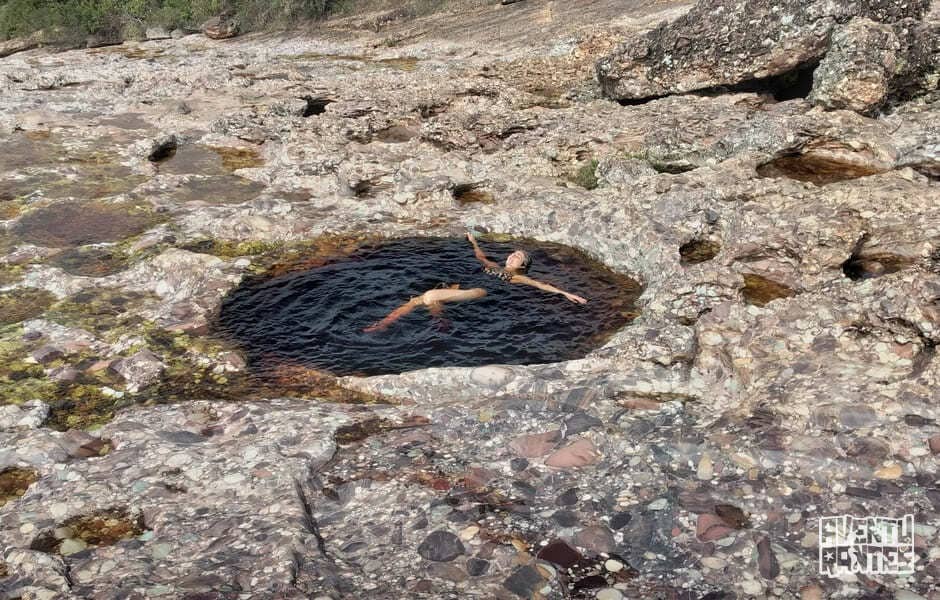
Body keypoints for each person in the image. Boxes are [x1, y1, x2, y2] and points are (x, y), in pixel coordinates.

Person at [362, 233, 587, 333]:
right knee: (415, 300)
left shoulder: (516, 277)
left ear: (522, 266)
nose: (511, 256)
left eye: (518, 257)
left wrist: (566, 293)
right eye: (512, 253)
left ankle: (441, 320)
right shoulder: (492, 266)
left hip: (480, 290)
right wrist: (473, 241)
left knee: (431, 296)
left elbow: (541, 285)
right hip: (462, 285)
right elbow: (479, 255)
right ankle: (384, 323)